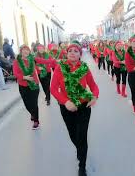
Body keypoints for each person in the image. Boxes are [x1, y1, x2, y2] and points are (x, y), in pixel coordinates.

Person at [50, 43, 99, 176]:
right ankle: (80, 150)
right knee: (73, 135)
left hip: (84, 107)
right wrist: (65, 102)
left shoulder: (84, 68)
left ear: (79, 54)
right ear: (66, 53)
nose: (72, 53)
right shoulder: (60, 68)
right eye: (70, 51)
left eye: (76, 51)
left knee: (82, 137)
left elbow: (94, 86)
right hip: (67, 107)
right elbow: (53, 89)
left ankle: (82, 166)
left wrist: (94, 97)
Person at [13, 45, 55, 129]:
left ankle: (36, 121)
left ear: (29, 51)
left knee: (34, 103)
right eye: (24, 50)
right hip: (23, 85)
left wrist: (54, 61)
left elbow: (43, 61)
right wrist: (25, 77)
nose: (26, 51)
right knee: (27, 104)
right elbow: (15, 73)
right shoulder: (16, 61)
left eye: (27, 50)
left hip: (34, 85)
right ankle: (32, 113)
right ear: (21, 51)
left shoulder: (32, 58)